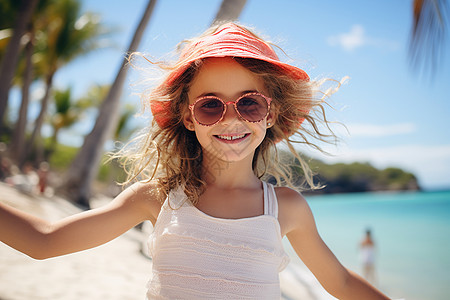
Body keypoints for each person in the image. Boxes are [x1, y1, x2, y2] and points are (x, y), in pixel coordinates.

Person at [0, 23, 391, 299]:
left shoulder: (285, 208)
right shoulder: (157, 198)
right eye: (210, 107)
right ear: (188, 117)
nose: (232, 119)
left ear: (270, 114)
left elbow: (339, 283)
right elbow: (43, 242)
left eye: (249, 103)